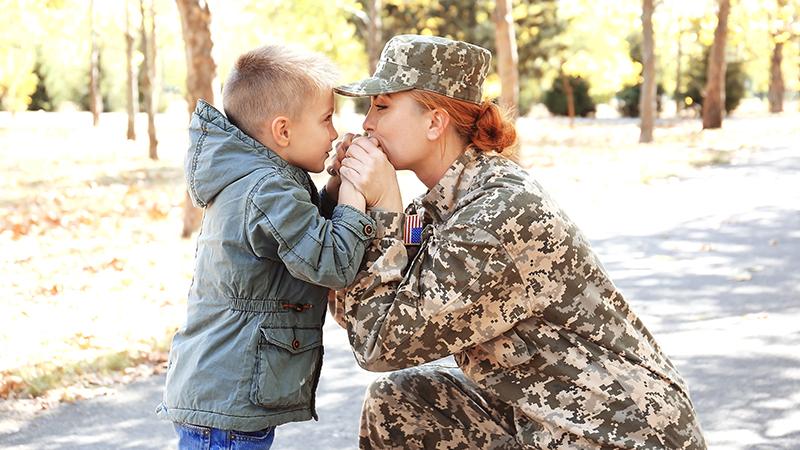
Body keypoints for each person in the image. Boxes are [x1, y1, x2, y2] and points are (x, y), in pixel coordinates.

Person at [327, 34, 707, 449]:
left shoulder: (495, 216)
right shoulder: (432, 209)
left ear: (434, 122)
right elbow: (360, 312)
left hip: (615, 430)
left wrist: (382, 208)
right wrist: (343, 202)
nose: (366, 123)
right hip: (547, 420)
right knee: (400, 403)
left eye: (382, 106)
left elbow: (380, 343)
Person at [156, 44, 377, 450]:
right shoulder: (267, 189)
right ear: (283, 131)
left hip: (225, 397)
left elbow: (302, 234)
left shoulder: (265, 178)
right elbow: (330, 260)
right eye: (326, 119)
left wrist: (334, 186)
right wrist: (355, 195)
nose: (333, 133)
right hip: (227, 402)